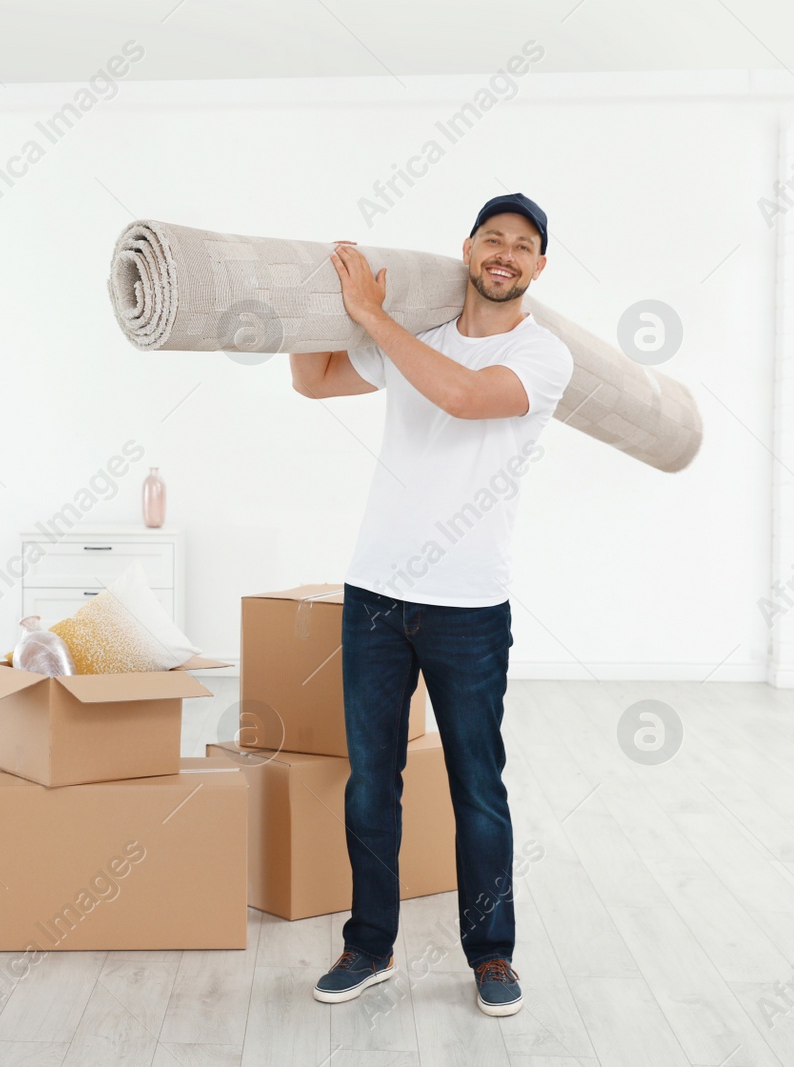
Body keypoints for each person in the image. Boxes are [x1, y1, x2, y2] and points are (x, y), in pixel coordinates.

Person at [288, 194, 573, 1018]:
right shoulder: (421, 338)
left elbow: (463, 396)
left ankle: (491, 955)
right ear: (468, 249)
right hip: (375, 594)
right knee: (371, 782)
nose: (506, 253)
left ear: (538, 267)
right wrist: (309, 306)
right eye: (494, 238)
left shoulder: (543, 354)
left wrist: (370, 314)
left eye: (523, 246)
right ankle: (368, 946)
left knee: (477, 784)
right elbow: (313, 380)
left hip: (469, 608)